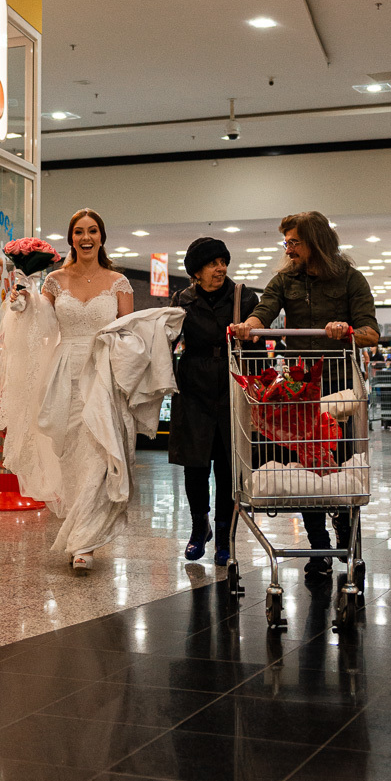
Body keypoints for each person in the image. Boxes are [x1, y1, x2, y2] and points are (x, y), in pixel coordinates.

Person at [0, 208, 183, 571]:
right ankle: (80, 527)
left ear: (101, 236)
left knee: (100, 452)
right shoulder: (54, 281)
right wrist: (22, 303)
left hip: (104, 373)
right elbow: (40, 320)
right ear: (71, 237)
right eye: (79, 231)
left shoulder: (118, 282)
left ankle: (84, 543)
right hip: (64, 373)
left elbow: (128, 334)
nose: (86, 237)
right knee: (71, 456)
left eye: (92, 230)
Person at [230, 210, 380, 583]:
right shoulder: (285, 279)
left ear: (315, 242)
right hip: (299, 389)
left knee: (341, 466)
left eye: (294, 241)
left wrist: (346, 330)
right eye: (287, 242)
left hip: (341, 388)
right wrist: (249, 328)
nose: (288, 248)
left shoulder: (350, 279)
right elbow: (263, 311)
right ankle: (319, 547)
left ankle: (346, 531)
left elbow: (371, 333)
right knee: (305, 473)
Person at [169, 237, 258, 564]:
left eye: (223, 261)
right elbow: (167, 340)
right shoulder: (182, 300)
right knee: (194, 465)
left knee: (226, 466)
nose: (220, 268)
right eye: (211, 263)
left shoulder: (243, 297)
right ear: (196, 271)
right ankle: (198, 527)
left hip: (231, 385)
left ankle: (224, 535)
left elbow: (259, 350)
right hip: (192, 386)